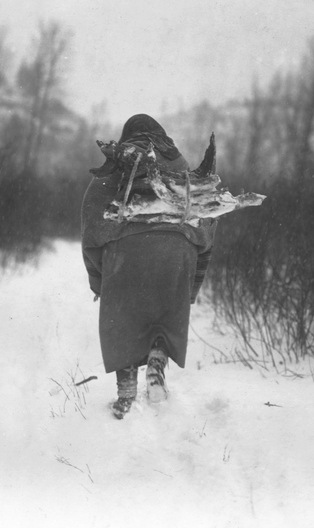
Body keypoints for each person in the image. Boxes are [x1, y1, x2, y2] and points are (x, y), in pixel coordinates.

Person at [81, 114, 216, 419]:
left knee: (123, 320)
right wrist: (190, 288)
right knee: (164, 319)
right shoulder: (181, 166)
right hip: (177, 252)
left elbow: (90, 227)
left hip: (125, 252)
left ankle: (126, 392)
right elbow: (206, 231)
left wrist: (99, 281)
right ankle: (157, 359)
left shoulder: (115, 164)